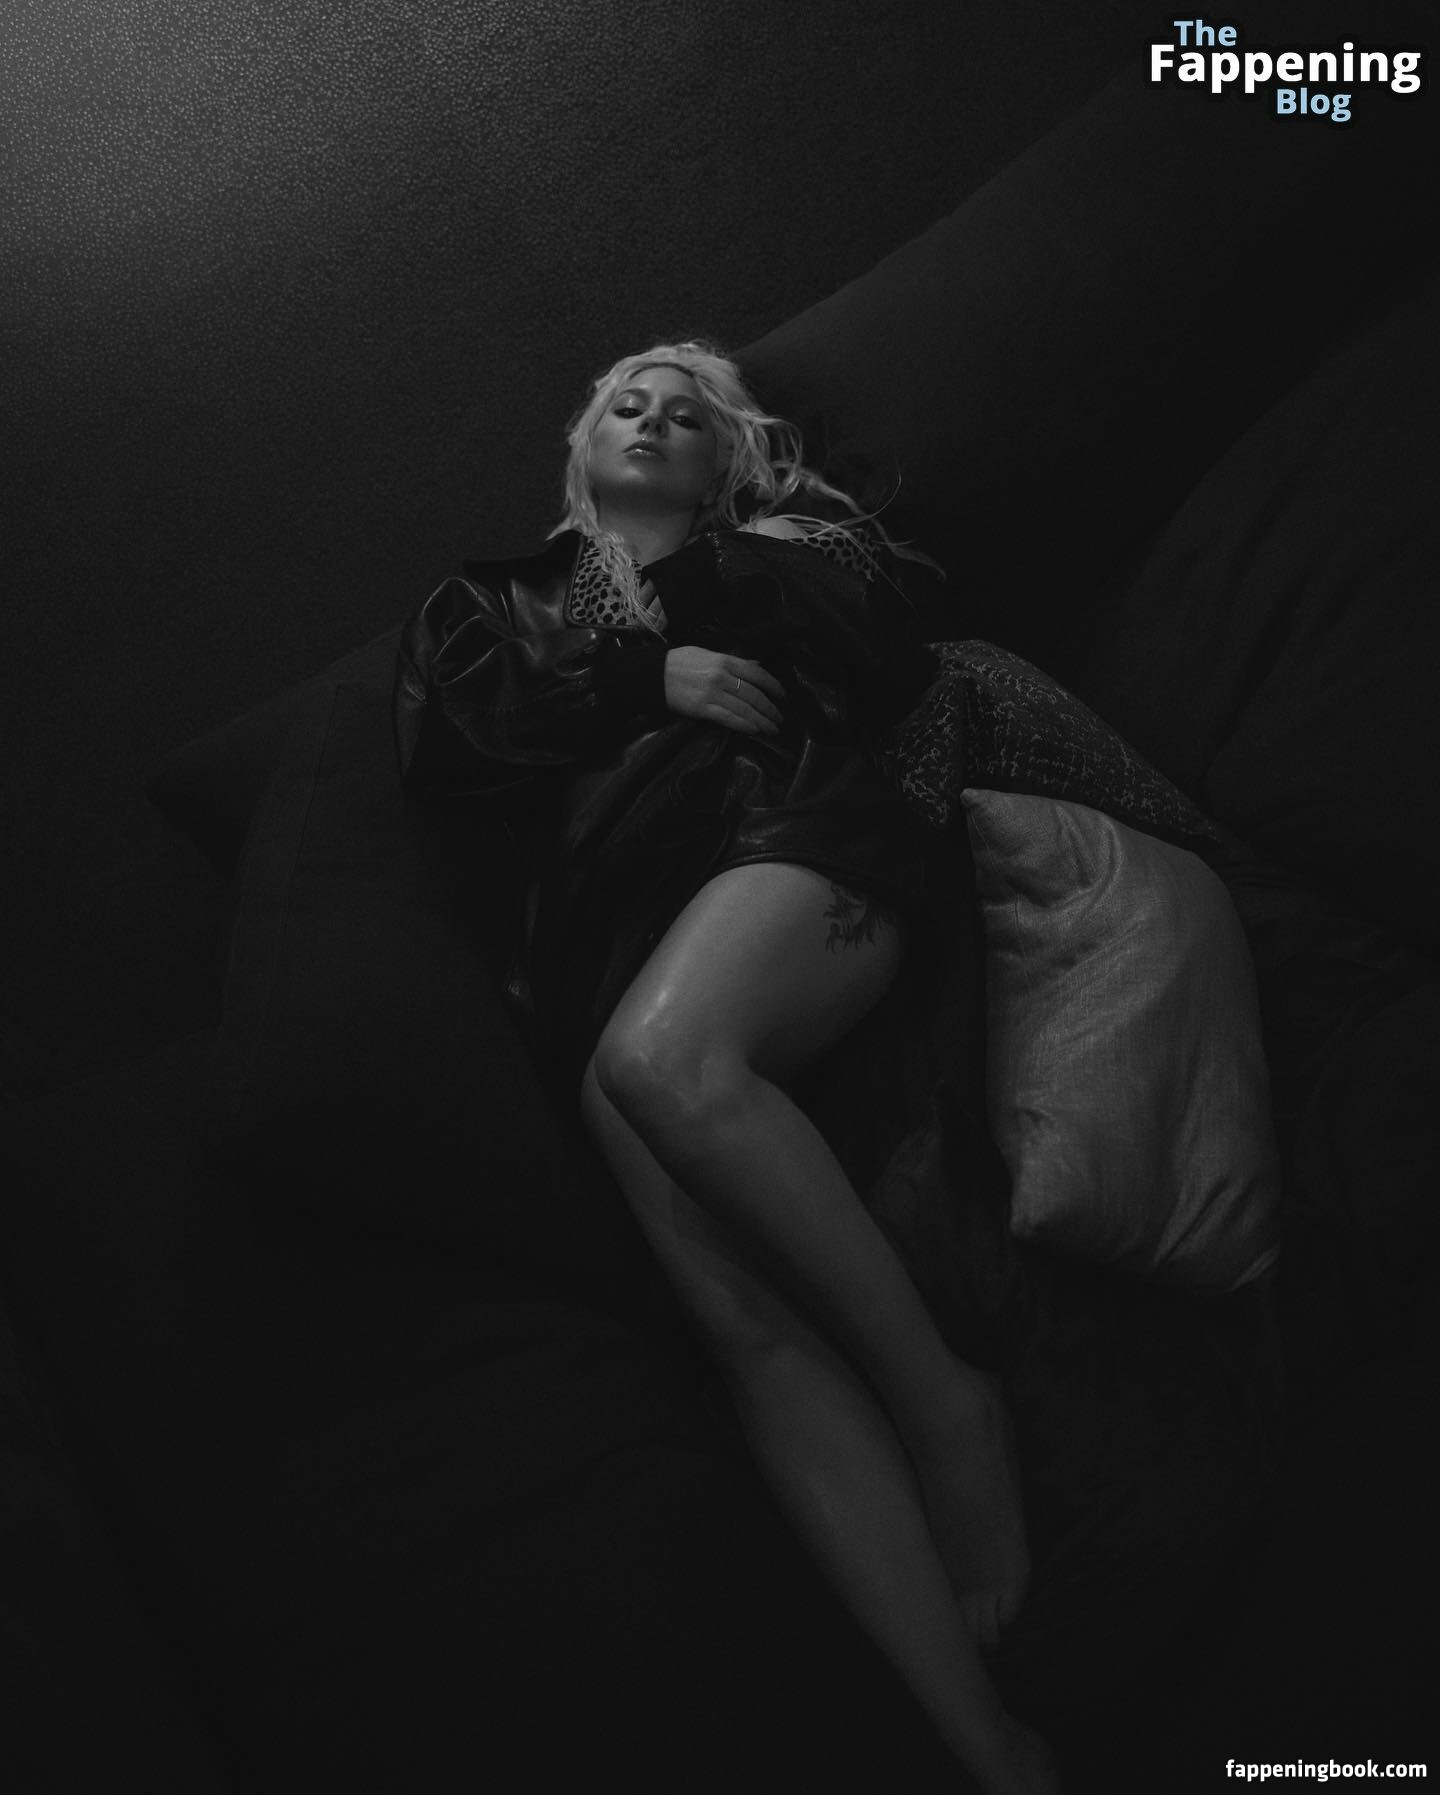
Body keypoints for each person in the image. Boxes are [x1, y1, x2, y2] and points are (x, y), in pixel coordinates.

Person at [393, 341, 1061, 1795]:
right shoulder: (500, 601)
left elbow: (887, 652)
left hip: (793, 846)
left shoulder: (780, 550)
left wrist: (708, 589)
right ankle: (985, 1745)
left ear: (727, 461)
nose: (652, 418)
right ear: (583, 450)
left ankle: (950, 1405)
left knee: (661, 1062)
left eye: (688, 413)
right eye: (626, 404)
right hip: (618, 948)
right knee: (741, 1325)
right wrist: (652, 671)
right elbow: (453, 730)